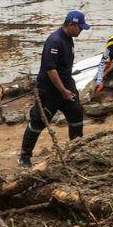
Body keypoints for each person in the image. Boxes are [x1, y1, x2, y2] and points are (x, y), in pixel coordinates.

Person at [20, 10, 90, 168]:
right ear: (71, 24)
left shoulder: (69, 39)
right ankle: (24, 156)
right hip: (50, 90)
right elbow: (50, 69)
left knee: (76, 114)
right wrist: (62, 91)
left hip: (67, 85)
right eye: (80, 27)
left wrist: (68, 89)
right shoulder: (55, 41)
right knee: (39, 121)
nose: (81, 31)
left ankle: (76, 151)